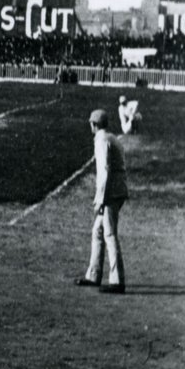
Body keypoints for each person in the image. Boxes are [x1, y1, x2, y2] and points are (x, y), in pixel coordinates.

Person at [75, 109, 128, 294]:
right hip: (117, 190)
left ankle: (117, 281)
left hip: (111, 192)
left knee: (109, 233)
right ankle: (93, 275)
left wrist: (100, 199)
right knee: (98, 230)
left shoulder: (101, 140)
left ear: (94, 124)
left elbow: (105, 172)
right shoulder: (112, 138)